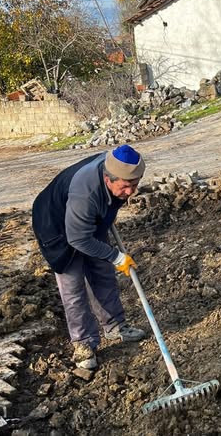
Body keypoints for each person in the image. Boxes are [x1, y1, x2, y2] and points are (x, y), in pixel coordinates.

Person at [32, 144, 147, 370]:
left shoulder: (115, 168)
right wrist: (116, 256)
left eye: (135, 185)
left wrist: (105, 217)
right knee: (73, 286)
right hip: (56, 228)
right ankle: (83, 344)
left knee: (102, 273)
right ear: (108, 180)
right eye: (126, 187)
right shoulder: (85, 192)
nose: (131, 192)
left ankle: (115, 326)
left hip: (85, 221)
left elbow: (97, 216)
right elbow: (77, 239)